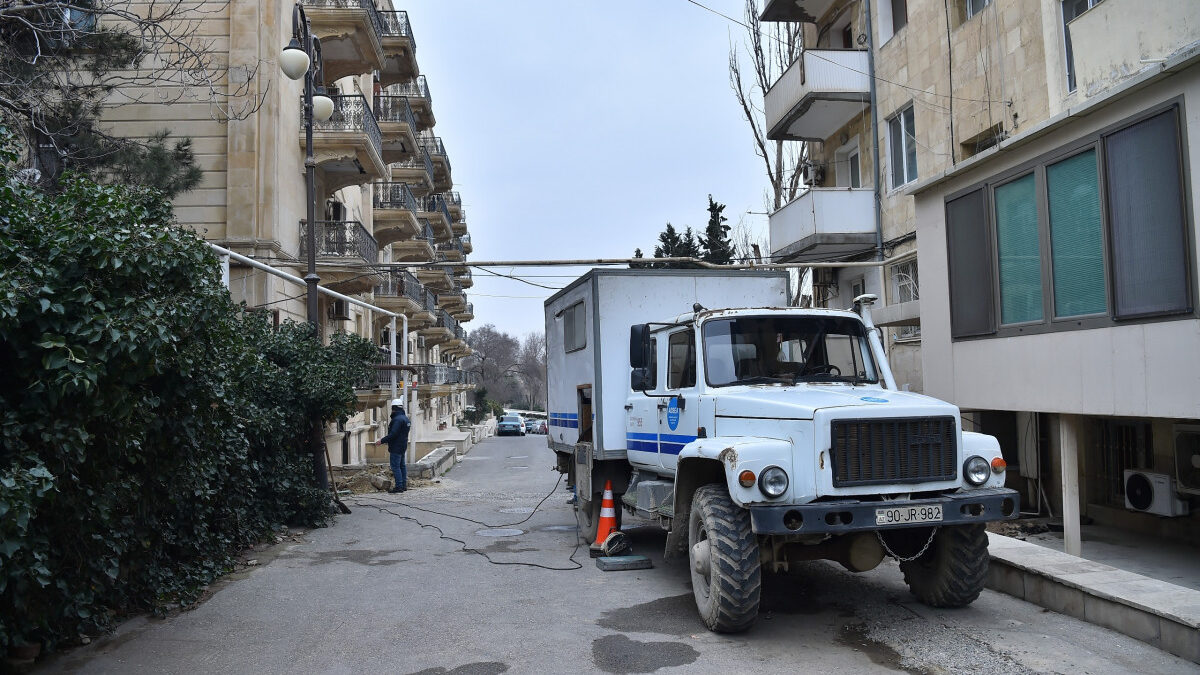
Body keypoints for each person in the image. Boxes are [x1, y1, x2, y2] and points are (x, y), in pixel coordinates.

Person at [373, 399, 411, 493]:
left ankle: (399, 487)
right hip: (403, 445)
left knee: (395, 467)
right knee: (402, 466)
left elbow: (393, 434)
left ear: (393, 408)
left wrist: (381, 441)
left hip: (396, 446)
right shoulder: (405, 418)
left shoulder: (397, 420)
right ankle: (403, 485)